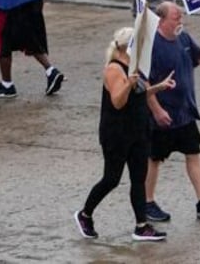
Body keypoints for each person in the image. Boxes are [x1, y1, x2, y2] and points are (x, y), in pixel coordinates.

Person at [74, 27, 176, 242]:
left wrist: (158, 87)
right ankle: (85, 214)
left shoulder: (136, 67)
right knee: (111, 178)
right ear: (125, 47)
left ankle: (141, 226)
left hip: (138, 130)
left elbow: (139, 95)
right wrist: (129, 83)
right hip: (117, 133)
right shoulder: (114, 69)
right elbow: (118, 101)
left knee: (138, 178)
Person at [143, 1, 200, 222]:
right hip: (162, 116)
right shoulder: (152, 46)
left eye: (181, 16)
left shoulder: (183, 38)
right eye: (176, 17)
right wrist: (157, 110)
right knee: (154, 159)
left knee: (194, 153)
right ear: (161, 21)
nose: (180, 20)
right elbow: (145, 84)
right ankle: (147, 202)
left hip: (185, 112)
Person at [0, 0, 65, 98]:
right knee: (29, 37)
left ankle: (7, 84)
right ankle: (51, 71)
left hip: (10, 2)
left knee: (3, 42)